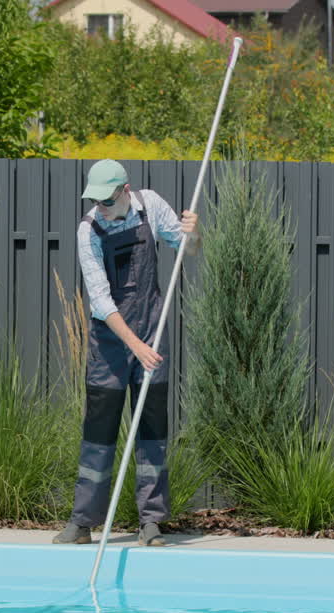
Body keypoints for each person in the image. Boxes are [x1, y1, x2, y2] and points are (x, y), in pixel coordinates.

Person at [52, 159, 198, 548]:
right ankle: (82, 522)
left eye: (107, 199)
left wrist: (193, 234)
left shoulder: (150, 206)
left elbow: (187, 248)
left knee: (152, 432)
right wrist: (135, 345)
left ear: (125, 190)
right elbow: (99, 300)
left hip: (152, 330)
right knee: (98, 435)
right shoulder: (89, 230)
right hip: (111, 345)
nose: (101, 206)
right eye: (95, 200)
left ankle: (151, 522)